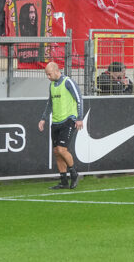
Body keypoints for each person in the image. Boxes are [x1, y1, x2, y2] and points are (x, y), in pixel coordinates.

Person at [39, 62, 83, 190]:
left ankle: (74, 173)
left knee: (62, 149)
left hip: (68, 120)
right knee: (57, 152)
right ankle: (63, 181)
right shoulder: (52, 85)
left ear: (56, 70)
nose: (48, 76)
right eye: (46, 74)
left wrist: (79, 118)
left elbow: (79, 99)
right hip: (56, 122)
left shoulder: (68, 82)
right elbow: (50, 103)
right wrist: (43, 119)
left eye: (49, 74)